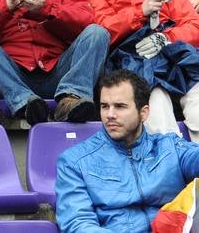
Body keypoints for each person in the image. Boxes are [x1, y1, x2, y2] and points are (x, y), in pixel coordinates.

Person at [81, 0, 199, 138]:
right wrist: (141, 12)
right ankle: (170, 163)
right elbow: (102, 30)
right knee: (155, 102)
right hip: (128, 60)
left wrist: (166, 37)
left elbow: (193, 24)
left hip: (173, 55)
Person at [55, 69, 199, 233]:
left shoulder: (170, 147)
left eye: (120, 106)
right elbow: (78, 224)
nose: (110, 115)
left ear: (143, 113)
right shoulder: (75, 161)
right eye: (104, 106)